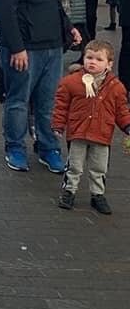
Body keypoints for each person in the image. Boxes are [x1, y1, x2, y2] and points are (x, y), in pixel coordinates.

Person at [0, 0, 81, 174]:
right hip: (25, 48)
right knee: (19, 101)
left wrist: (68, 28)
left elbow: (55, 3)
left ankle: (47, 147)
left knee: (48, 101)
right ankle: (15, 147)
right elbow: (5, 9)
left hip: (52, 46)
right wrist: (17, 47)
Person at [52, 39, 130, 215]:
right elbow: (61, 105)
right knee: (75, 166)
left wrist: (127, 125)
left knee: (99, 168)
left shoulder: (116, 87)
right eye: (89, 57)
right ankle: (69, 191)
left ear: (109, 65)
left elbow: (121, 110)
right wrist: (58, 124)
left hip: (102, 133)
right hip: (78, 132)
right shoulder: (71, 82)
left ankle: (98, 195)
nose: (92, 62)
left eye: (98, 59)